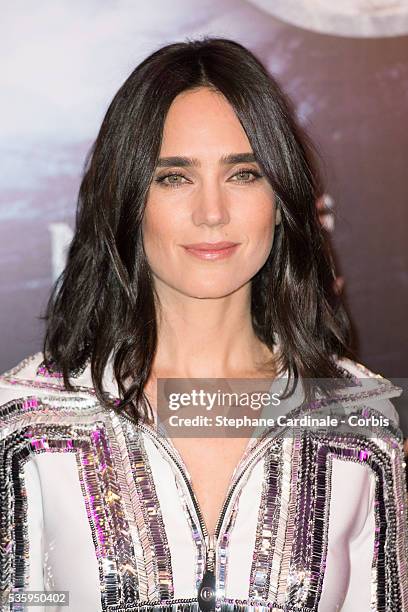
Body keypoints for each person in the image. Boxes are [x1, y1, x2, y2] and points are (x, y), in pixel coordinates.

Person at [0, 37, 407, 612]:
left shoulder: (357, 420)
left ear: (282, 195)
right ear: (127, 197)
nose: (212, 212)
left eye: (243, 174)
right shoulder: (29, 420)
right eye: (175, 177)